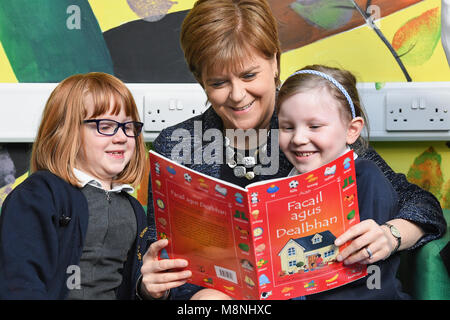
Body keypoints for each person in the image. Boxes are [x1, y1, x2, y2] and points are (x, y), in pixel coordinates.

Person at [142, 0, 446, 300]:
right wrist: (152, 288)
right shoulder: (177, 144)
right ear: (200, 80)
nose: (237, 95)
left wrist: (390, 236)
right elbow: (157, 255)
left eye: (249, 75)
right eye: (219, 82)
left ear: (275, 62)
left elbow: (421, 205)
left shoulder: (311, 127)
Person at [0, 72, 149, 299]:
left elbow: (129, 286)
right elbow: (20, 281)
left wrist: (147, 290)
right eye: (105, 126)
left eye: (128, 127)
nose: (121, 136)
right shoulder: (38, 196)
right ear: (66, 132)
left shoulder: (134, 209)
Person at [277, 64, 409, 299]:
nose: (298, 138)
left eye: (314, 126)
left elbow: (372, 278)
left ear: (351, 130)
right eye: (287, 127)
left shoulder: (365, 178)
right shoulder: (284, 184)